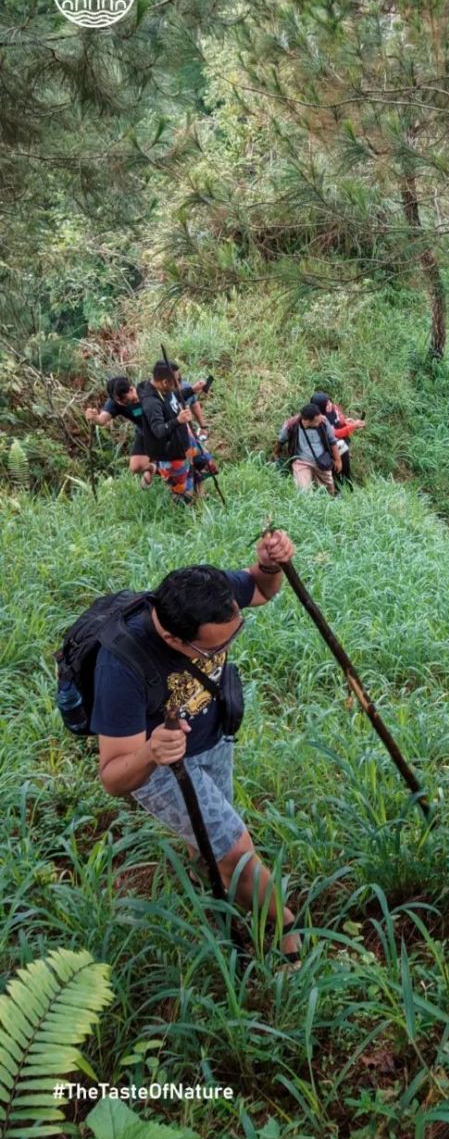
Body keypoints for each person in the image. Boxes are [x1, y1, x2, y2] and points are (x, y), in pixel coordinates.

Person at [91, 530, 301, 963]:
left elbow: (261, 590)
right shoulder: (121, 667)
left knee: (212, 841)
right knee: (239, 851)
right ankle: (288, 938)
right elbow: (113, 776)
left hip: (215, 735)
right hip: (161, 765)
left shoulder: (210, 597)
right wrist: (152, 751)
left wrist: (269, 565)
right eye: (217, 646)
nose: (226, 649)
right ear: (173, 640)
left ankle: (215, 893)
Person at [139, 361, 217, 506]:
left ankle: (201, 500)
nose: (179, 384)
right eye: (176, 381)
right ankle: (187, 518)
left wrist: (193, 389)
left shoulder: (165, 391)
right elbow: (158, 431)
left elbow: (174, 396)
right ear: (164, 382)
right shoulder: (151, 403)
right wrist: (178, 420)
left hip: (185, 441)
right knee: (182, 493)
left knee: (203, 465)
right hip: (171, 453)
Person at [85, 376, 156, 488]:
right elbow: (102, 420)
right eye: (120, 401)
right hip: (144, 432)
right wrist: (94, 418)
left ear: (131, 389)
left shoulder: (147, 390)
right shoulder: (116, 403)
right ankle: (152, 467)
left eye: (126, 400)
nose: (124, 403)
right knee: (135, 467)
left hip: (164, 428)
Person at [276, 403, 340, 495]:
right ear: (307, 422)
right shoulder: (292, 424)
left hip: (322, 461)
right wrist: (276, 453)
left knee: (328, 492)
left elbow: (332, 441)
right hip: (301, 462)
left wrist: (338, 460)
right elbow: (281, 440)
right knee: (304, 493)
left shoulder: (323, 421)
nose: (320, 421)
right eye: (317, 421)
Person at [311, 392, 366, 488]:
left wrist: (348, 423)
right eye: (327, 404)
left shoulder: (333, 408)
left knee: (345, 467)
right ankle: (340, 486)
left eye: (329, 402)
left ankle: (347, 484)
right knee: (338, 468)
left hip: (340, 444)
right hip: (328, 449)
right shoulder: (320, 420)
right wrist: (353, 426)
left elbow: (340, 421)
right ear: (320, 407)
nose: (330, 405)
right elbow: (335, 433)